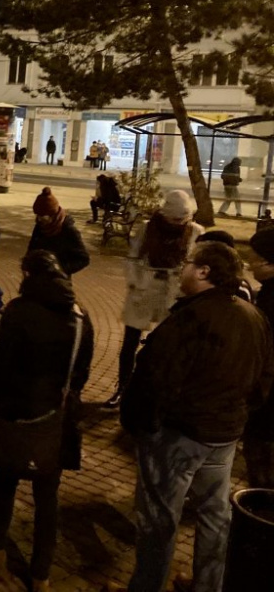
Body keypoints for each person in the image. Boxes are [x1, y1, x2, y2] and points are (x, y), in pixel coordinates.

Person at [118, 241, 273, 592]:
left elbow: (154, 382)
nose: (182, 268)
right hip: (224, 436)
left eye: (189, 262)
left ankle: (146, 586)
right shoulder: (252, 315)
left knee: (159, 519)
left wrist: (141, 426)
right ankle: (208, 585)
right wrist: (236, 416)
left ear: (204, 272)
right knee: (215, 514)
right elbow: (264, 379)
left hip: (179, 437)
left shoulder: (189, 320)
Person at [0, 250, 94, 592]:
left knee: (4, 483)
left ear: (28, 274)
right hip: (55, 421)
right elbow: (82, 373)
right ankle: (41, 574)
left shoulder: (18, 312)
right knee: (47, 498)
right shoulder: (80, 316)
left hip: (16, 416)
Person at [106, 190, 203, 407]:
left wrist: (186, 288)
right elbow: (132, 257)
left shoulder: (195, 231)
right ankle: (122, 388)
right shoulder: (148, 228)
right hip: (146, 286)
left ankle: (156, 395)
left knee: (167, 343)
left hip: (174, 290)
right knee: (130, 341)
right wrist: (136, 282)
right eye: (175, 218)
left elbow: (195, 261)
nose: (179, 222)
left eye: (183, 218)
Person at [243, 229, 274, 487]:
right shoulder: (267, 292)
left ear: (268, 262)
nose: (248, 265)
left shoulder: (271, 301)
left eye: (252, 259)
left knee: (261, 460)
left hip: (268, 402)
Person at [27, 187, 90, 277]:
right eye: (37, 215)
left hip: (58, 282)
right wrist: (27, 263)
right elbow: (32, 248)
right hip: (37, 279)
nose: (39, 219)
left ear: (52, 215)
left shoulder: (68, 230)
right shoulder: (40, 226)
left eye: (43, 216)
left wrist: (60, 269)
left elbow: (83, 259)